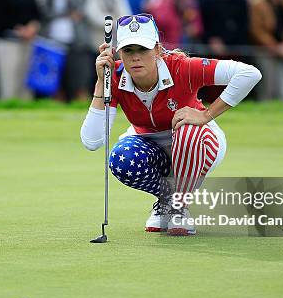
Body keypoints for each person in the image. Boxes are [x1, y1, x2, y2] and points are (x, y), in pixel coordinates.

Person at [80, 14, 261, 236]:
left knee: (187, 131)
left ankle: (179, 207)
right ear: (118, 53)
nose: (136, 58)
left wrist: (206, 115)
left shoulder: (181, 67)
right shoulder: (114, 76)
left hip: (199, 145)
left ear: (157, 50)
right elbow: (92, 141)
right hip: (149, 147)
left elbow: (250, 73)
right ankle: (167, 200)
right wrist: (101, 82)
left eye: (143, 50)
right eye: (128, 51)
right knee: (122, 157)